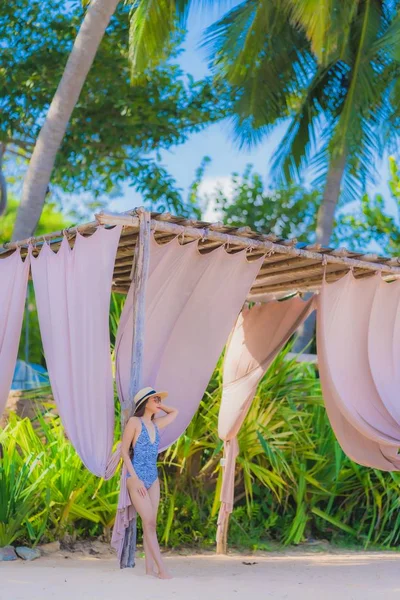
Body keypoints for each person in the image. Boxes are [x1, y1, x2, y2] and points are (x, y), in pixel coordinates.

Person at [121, 386, 178, 579]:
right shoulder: (134, 422)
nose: (159, 402)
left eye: (159, 400)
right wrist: (134, 478)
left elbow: (175, 412)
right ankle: (162, 570)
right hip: (136, 478)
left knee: (150, 525)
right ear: (145, 402)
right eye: (155, 399)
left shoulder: (156, 424)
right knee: (149, 522)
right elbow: (124, 451)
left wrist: (160, 406)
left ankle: (149, 570)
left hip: (153, 478)